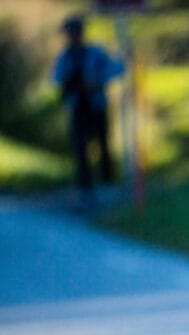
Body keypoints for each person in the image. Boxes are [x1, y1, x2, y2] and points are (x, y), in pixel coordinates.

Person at [52, 15, 124, 208]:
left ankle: (108, 186)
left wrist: (97, 80)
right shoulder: (65, 57)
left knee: (103, 145)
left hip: (96, 106)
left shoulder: (95, 53)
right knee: (80, 149)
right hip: (78, 108)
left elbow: (117, 68)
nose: (72, 36)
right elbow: (56, 79)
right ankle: (85, 191)